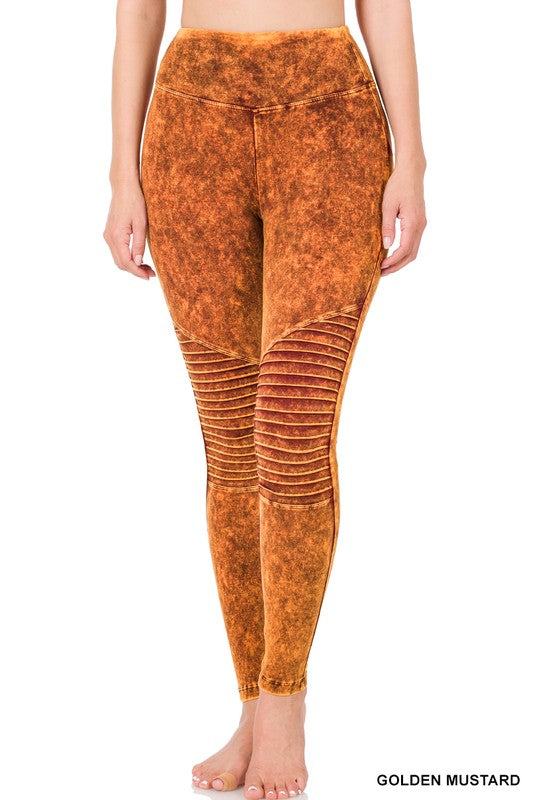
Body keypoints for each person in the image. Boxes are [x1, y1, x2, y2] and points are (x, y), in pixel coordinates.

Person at [103, 0, 427, 796]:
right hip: (191, 119)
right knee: (229, 437)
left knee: (292, 424)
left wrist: (412, 161)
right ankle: (251, 701)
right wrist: (121, 175)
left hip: (327, 116)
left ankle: (284, 704)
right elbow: (138, 11)